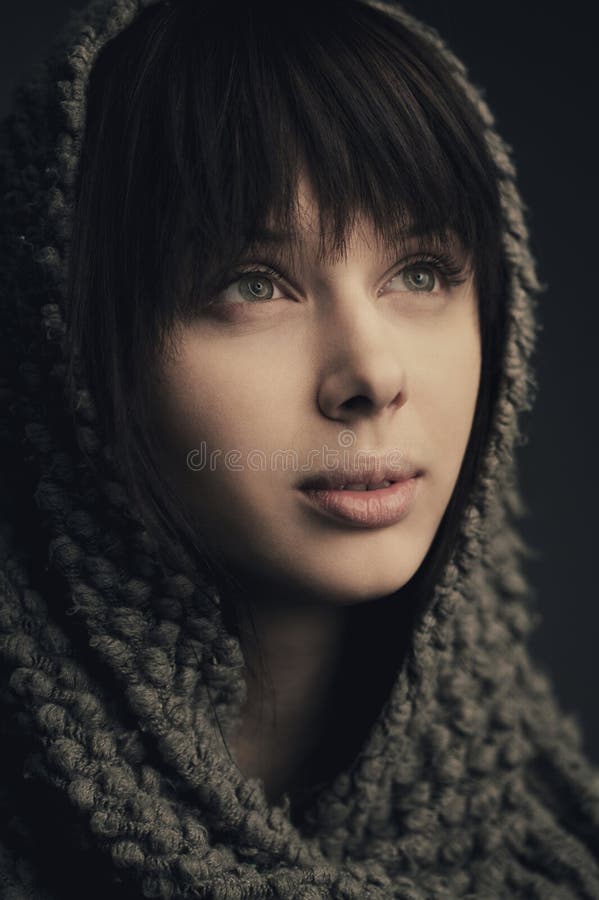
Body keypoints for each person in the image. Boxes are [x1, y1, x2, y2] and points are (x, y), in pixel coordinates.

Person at [1, 0, 598, 897]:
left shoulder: (555, 858)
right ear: (68, 345)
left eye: (421, 272)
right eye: (253, 284)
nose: (371, 372)